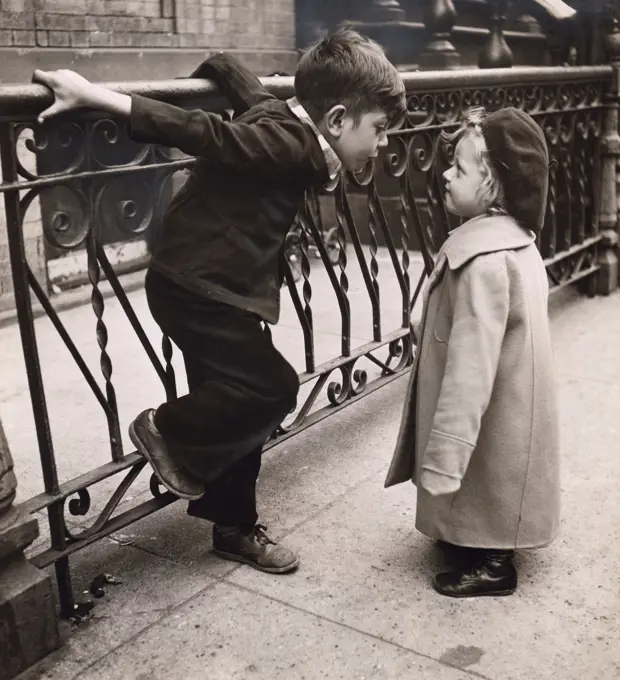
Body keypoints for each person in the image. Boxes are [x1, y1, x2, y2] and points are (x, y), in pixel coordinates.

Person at [34, 28, 406, 575]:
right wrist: (95, 97)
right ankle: (165, 431)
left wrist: (220, 65)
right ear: (336, 121)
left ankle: (233, 526)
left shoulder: (281, 119)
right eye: (377, 129)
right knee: (272, 387)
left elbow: (249, 91)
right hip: (198, 289)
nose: (381, 144)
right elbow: (200, 130)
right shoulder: (290, 144)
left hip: (214, 288)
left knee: (240, 406)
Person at [385, 106, 560, 597]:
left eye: (459, 169)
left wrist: (441, 457)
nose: (445, 174)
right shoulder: (515, 246)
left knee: (492, 468)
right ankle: (473, 536)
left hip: (495, 404)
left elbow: (470, 373)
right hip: (508, 399)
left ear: (495, 187)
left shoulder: (485, 263)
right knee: (489, 468)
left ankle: (494, 562)